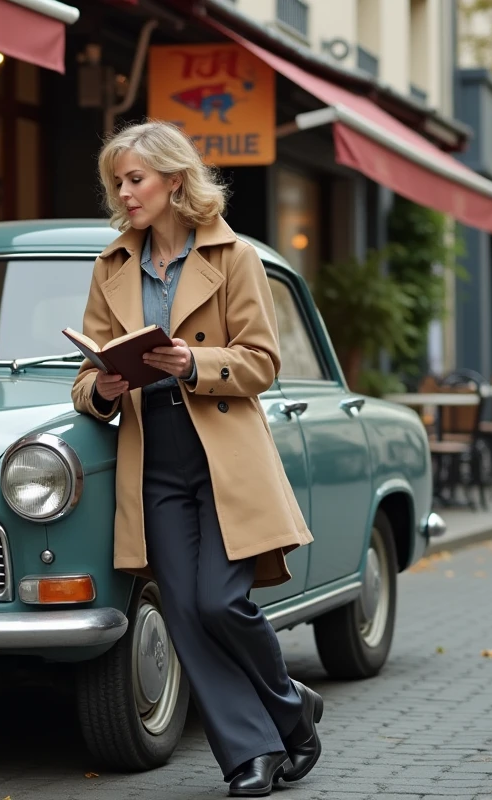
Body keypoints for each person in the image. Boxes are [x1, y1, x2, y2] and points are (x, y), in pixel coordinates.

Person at [71, 120, 322, 797]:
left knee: (219, 601)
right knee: (184, 610)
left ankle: (292, 710)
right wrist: (103, 385)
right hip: (152, 458)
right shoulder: (111, 266)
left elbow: (263, 362)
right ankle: (250, 754)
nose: (123, 195)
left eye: (135, 180)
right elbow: (83, 376)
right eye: (116, 184)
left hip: (223, 456)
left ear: (174, 180)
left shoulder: (232, 255)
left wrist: (192, 362)